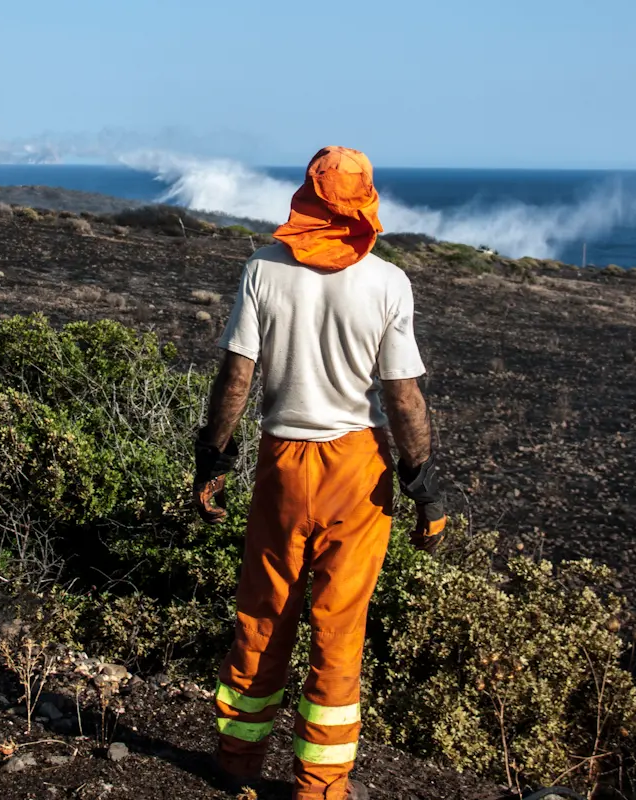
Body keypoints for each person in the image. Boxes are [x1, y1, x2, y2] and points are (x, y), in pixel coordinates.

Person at [192, 146, 447, 800]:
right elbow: (404, 400)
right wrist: (426, 491)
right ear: (366, 202)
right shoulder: (388, 283)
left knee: (262, 616)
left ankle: (236, 762)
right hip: (357, 472)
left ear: (306, 194)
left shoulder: (262, 271)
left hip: (282, 467)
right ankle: (321, 787)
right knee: (338, 631)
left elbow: (235, 380)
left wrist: (213, 459)